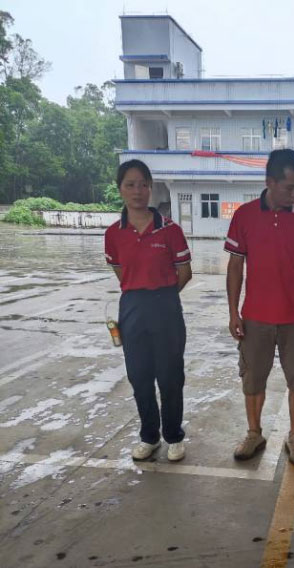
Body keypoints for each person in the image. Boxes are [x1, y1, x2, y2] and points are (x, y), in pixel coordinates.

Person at [225, 149, 294, 466]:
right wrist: (233, 312)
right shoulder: (244, 216)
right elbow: (235, 267)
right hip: (255, 317)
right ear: (270, 182)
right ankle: (254, 433)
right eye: (290, 187)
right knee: (252, 378)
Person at [104, 159, 192, 462]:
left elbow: (185, 272)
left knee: (170, 377)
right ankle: (149, 437)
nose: (137, 191)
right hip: (132, 307)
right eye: (130, 185)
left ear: (151, 188)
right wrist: (141, 294)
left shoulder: (170, 230)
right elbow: (120, 271)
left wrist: (161, 295)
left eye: (143, 184)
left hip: (166, 305)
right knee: (139, 377)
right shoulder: (113, 234)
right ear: (120, 189)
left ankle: (174, 436)